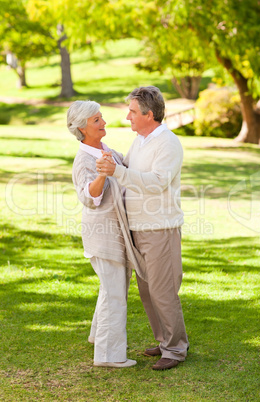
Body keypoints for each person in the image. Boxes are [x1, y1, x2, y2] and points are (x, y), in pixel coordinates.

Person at [96, 86, 189, 370]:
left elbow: (157, 181)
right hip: (138, 228)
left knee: (163, 291)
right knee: (148, 292)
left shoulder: (167, 143)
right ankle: (164, 342)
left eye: (133, 112)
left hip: (160, 228)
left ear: (149, 114)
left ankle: (175, 350)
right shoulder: (141, 140)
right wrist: (116, 159)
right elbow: (132, 168)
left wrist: (119, 171)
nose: (127, 117)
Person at [67, 100, 144, 368]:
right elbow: (89, 197)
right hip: (103, 233)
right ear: (82, 128)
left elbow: (126, 169)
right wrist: (101, 175)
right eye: (97, 120)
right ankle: (109, 356)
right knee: (115, 294)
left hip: (115, 231)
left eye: (101, 117)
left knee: (111, 287)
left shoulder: (104, 148)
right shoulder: (84, 160)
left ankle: (96, 336)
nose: (104, 123)